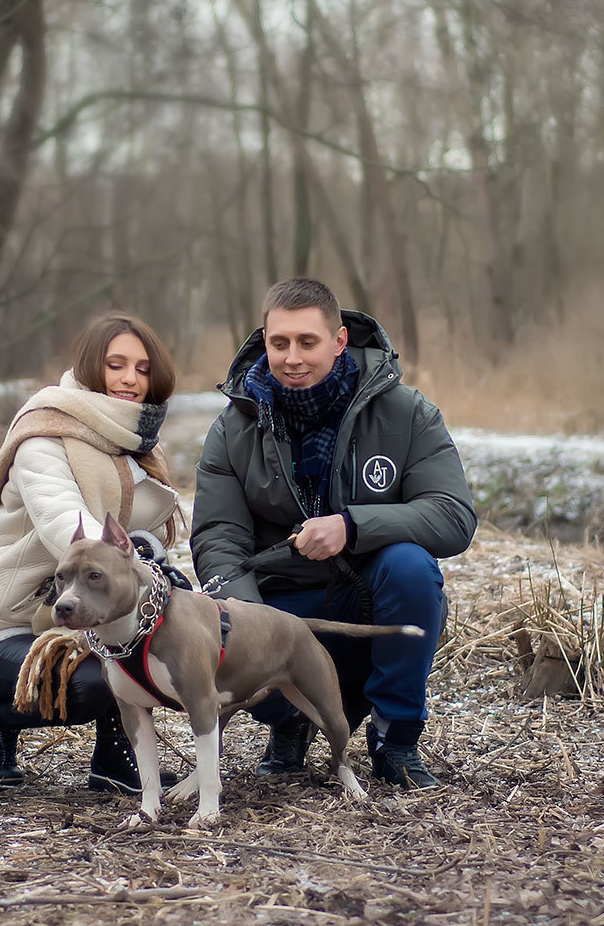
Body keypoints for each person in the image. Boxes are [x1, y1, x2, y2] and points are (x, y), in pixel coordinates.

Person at [191, 278, 477, 788]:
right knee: (227, 617)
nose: (292, 357)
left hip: (367, 606)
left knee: (412, 568)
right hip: (281, 609)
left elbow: (453, 515)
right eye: (279, 343)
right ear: (264, 340)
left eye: (308, 342)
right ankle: (290, 721)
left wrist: (352, 526)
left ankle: (396, 742)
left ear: (340, 341)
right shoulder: (232, 429)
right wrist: (254, 626)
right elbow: (218, 540)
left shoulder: (407, 413)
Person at [0, 314, 184, 792]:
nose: (130, 379)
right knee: (91, 682)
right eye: (116, 365)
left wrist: (161, 568)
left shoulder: (136, 445)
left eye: (141, 368)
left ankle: (118, 758)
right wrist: (135, 561)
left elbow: (152, 538)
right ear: (93, 367)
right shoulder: (45, 436)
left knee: (162, 642)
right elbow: (66, 529)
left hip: (79, 613)